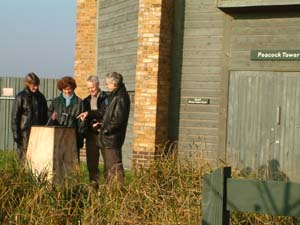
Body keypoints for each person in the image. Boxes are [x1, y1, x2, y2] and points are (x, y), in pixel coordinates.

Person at [98, 72, 130, 184]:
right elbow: (106, 114)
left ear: (114, 84)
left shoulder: (121, 97)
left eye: (108, 84)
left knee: (114, 168)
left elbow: (117, 120)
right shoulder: (114, 95)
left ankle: (118, 193)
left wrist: (105, 130)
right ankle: (110, 192)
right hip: (109, 138)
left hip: (112, 139)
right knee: (108, 168)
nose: (107, 86)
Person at [11, 72, 48, 162]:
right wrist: (16, 135)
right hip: (24, 133)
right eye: (33, 85)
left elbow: (45, 115)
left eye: (37, 85)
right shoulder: (20, 97)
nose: (36, 87)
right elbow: (14, 118)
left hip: (39, 133)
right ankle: (22, 175)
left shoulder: (41, 97)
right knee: (24, 159)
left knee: (37, 159)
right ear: (27, 84)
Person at [81, 75, 108, 186]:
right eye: (89, 88)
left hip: (104, 134)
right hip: (91, 135)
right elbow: (84, 116)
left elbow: (104, 113)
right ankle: (94, 188)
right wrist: (86, 120)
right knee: (92, 164)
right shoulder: (86, 101)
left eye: (93, 87)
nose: (91, 90)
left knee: (108, 163)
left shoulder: (106, 98)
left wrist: (90, 114)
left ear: (98, 85)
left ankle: (108, 188)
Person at [48, 76, 84, 160]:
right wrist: (52, 118)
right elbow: (49, 117)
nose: (67, 91)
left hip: (72, 137)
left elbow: (81, 123)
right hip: (58, 136)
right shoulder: (55, 102)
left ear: (73, 88)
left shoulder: (79, 102)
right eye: (64, 89)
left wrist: (79, 139)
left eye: (69, 89)